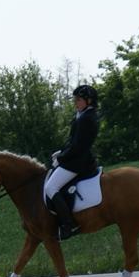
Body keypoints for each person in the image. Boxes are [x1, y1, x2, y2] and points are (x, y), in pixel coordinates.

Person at [45, 84, 100, 240]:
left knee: (51, 187)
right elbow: (72, 141)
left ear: (88, 101)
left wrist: (61, 159)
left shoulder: (87, 118)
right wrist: (61, 153)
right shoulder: (82, 115)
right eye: (75, 99)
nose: (75, 102)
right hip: (75, 158)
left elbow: (78, 146)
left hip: (78, 162)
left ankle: (68, 224)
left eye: (78, 99)